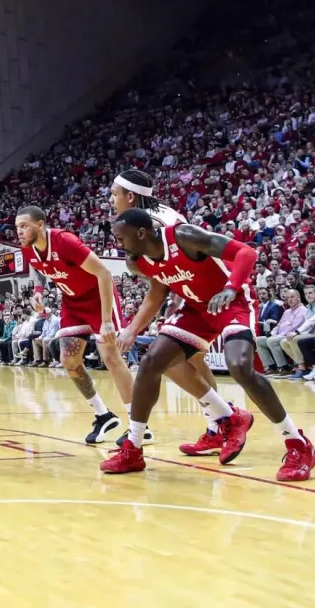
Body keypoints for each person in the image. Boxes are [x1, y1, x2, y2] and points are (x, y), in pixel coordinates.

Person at [103, 209, 315, 482]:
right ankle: (133, 448)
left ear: (141, 233)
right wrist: (132, 330)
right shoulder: (138, 261)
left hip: (232, 303)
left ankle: (299, 444)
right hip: (196, 310)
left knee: (239, 366)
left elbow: (246, 254)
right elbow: (157, 293)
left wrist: (231, 287)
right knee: (151, 362)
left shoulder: (183, 236)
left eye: (120, 237)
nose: (117, 243)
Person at [109, 168, 230, 448]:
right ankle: (219, 424)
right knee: (191, 359)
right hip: (190, 287)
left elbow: (160, 286)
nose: (111, 200)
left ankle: (225, 421)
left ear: (130, 196)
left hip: (199, 290)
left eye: (115, 194)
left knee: (172, 358)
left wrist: (134, 327)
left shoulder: (153, 225)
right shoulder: (160, 212)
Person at [16, 206, 130, 444]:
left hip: (99, 300)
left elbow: (104, 274)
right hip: (72, 302)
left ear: (40, 225)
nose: (20, 231)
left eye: (24, 226)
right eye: (17, 227)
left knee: (111, 358)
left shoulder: (65, 242)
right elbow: (38, 270)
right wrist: (38, 291)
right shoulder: (27, 249)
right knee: (68, 360)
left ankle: (140, 423)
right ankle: (104, 415)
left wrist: (107, 319)